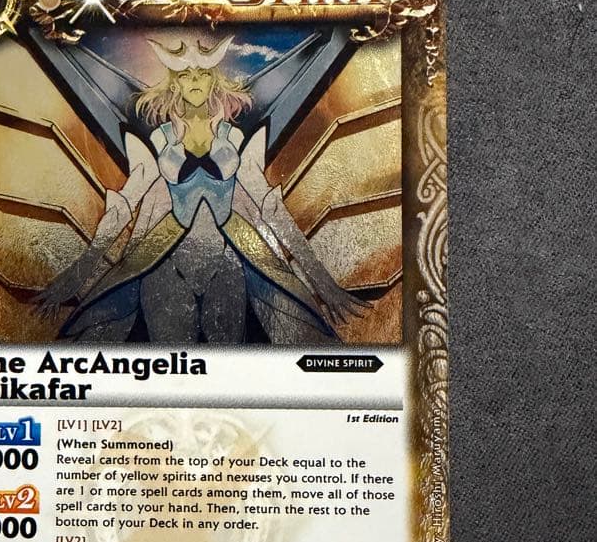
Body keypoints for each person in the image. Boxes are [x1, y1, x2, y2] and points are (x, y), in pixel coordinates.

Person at [35, 35, 362, 343]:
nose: (194, 82)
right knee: (170, 362)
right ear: (174, 82)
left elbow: (272, 208)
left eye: (202, 74)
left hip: (228, 258)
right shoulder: (160, 138)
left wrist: (323, 283)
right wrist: (73, 279)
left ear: (213, 80)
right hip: (164, 258)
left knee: (228, 359)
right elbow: (123, 209)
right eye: (185, 75)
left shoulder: (234, 137)